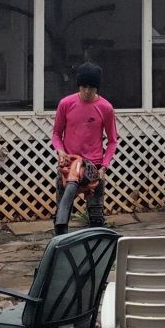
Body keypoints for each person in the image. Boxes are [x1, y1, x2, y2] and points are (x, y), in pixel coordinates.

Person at [51, 62, 118, 229]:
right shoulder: (66, 104)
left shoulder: (105, 108)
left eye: (92, 87)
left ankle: (96, 239)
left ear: (97, 88)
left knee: (96, 217)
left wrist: (104, 167)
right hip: (69, 164)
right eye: (84, 87)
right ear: (79, 86)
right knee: (62, 213)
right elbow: (56, 134)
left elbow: (112, 141)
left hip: (93, 167)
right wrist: (60, 151)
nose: (87, 91)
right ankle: (60, 238)